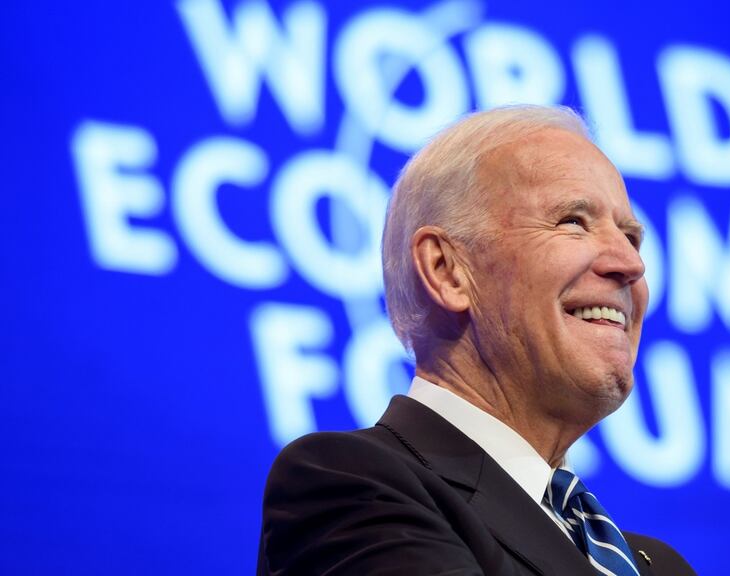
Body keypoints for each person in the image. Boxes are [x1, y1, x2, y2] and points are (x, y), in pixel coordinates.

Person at [258, 105, 696, 576]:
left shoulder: (660, 566)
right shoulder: (350, 486)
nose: (630, 264)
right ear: (448, 272)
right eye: (572, 221)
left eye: (631, 237)